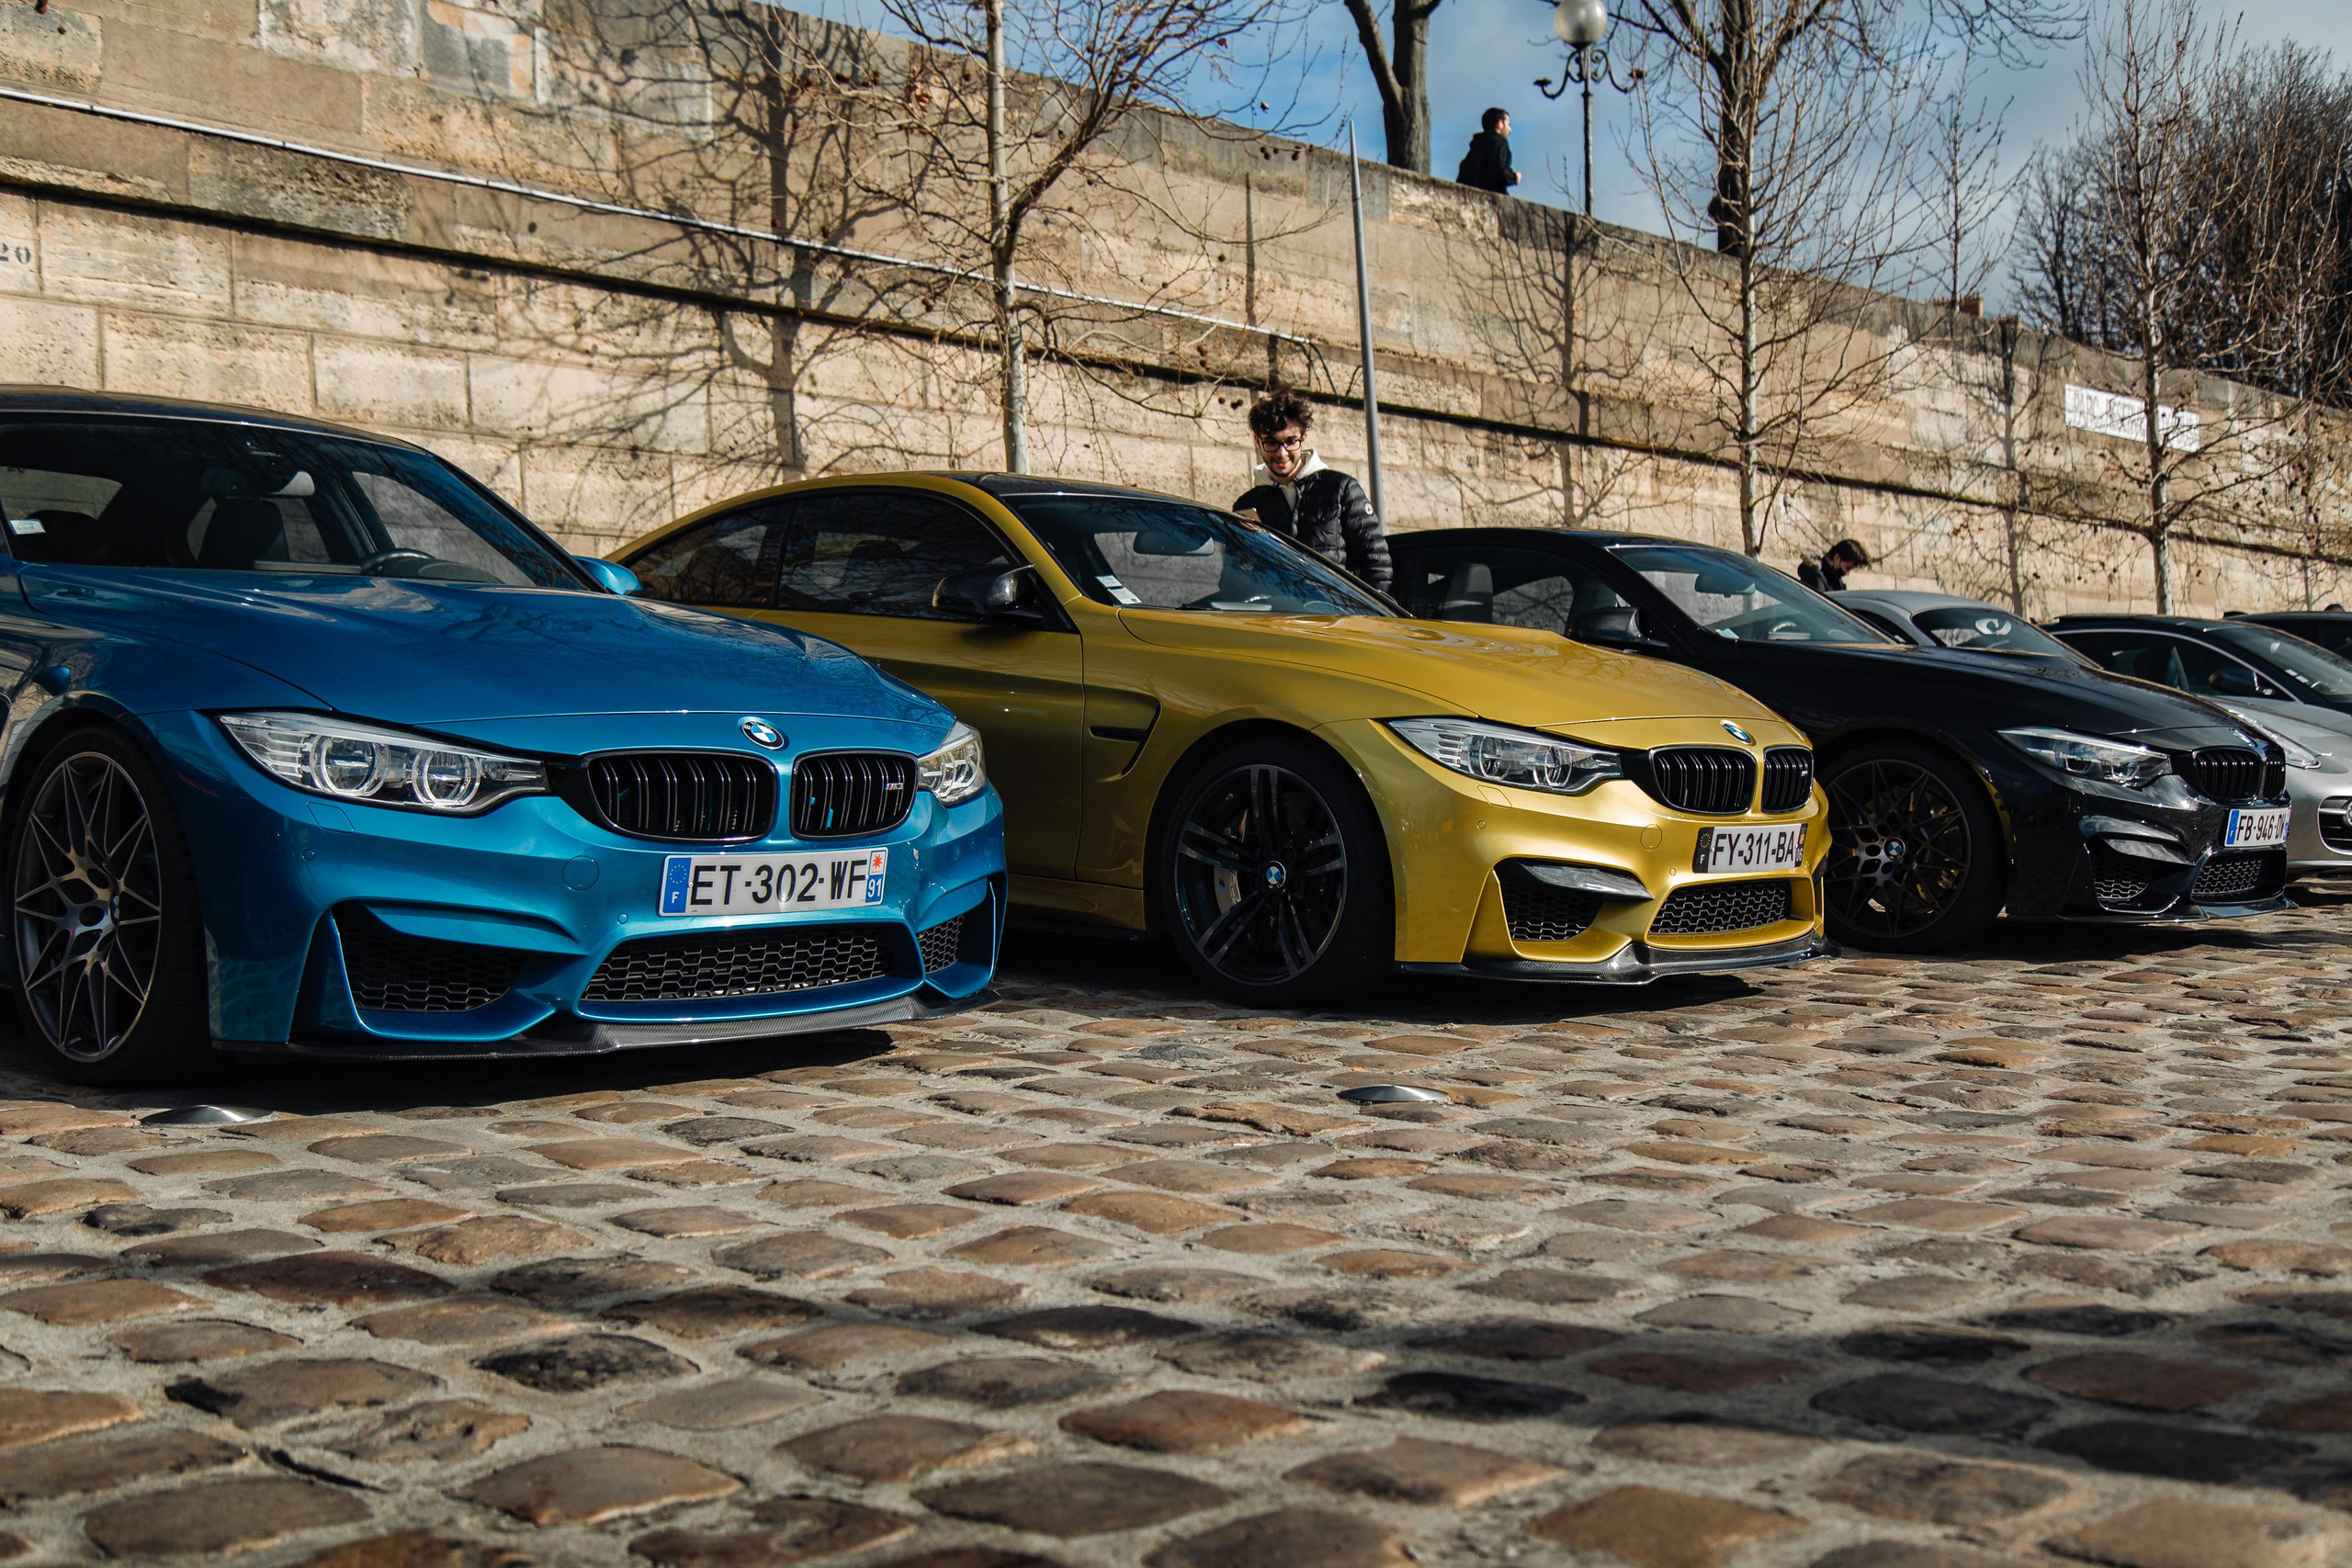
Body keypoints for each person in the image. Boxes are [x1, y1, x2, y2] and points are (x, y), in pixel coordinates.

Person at [1232, 389, 1391, 592]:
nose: (1282, 453)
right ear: (1257, 441)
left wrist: (1363, 618)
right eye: (1271, 442)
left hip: (1332, 617)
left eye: (1290, 441)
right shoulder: (1247, 504)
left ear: (1304, 437)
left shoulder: (1341, 488)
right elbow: (1237, 572)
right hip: (1273, 619)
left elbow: (1378, 564)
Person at [1456, 108, 1521, 195]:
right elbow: (1500, 172)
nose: (1510, 130)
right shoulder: (1499, 143)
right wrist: (1514, 177)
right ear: (1500, 124)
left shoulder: (1474, 150)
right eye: (1509, 124)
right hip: (1493, 201)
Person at [1798, 538, 1871, 593]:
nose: (1847, 573)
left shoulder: (1835, 580)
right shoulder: (1816, 576)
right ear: (1837, 557)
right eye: (1848, 568)